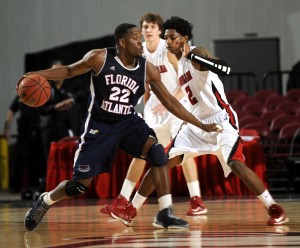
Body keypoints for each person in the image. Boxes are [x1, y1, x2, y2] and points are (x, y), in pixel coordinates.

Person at [22, 23, 222, 231]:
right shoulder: (99, 58)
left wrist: (200, 124)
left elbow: (171, 102)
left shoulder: (147, 69)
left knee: (157, 153)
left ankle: (165, 212)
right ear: (122, 42)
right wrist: (35, 74)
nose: (141, 42)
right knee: (78, 186)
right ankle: (45, 201)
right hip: (100, 126)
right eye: (136, 38)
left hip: (128, 122)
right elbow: (69, 70)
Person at [159, 16, 288, 226]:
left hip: (221, 120)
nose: (167, 42)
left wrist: (213, 63)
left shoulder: (197, 53)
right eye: (166, 38)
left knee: (237, 164)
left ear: (184, 38)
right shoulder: (180, 64)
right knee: (161, 162)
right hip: (197, 124)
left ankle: (274, 208)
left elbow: (221, 66)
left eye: (171, 37)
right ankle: (130, 207)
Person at [101, 13, 207, 217]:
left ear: (159, 30)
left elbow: (185, 79)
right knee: (141, 151)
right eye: (144, 26)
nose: (147, 29)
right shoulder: (139, 53)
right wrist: (148, 100)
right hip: (155, 111)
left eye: (151, 26)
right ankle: (122, 199)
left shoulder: (166, 50)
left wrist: (170, 99)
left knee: (181, 152)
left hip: (177, 108)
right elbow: (146, 83)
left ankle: (196, 199)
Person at [39, 60, 88, 160]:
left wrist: (73, 99)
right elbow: (41, 109)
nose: (56, 73)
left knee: (68, 159)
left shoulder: (72, 84)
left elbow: (86, 90)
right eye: (53, 71)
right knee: (50, 159)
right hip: (50, 130)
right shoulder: (45, 88)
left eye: (59, 70)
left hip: (68, 129)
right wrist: (54, 107)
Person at [3, 96, 45, 194]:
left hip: (36, 130)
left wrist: (6, 130)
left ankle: (35, 185)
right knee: (21, 159)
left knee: (36, 159)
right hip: (25, 131)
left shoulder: (36, 93)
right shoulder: (21, 96)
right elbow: (10, 114)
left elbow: (10, 114)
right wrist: (6, 130)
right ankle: (17, 186)